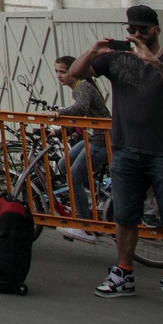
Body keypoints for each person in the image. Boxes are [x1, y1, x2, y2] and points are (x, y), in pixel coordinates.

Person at [68, 4, 163, 312]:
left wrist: (154, 63)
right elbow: (75, 73)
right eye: (132, 30)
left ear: (157, 30)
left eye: (143, 30)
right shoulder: (116, 60)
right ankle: (123, 272)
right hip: (126, 150)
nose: (137, 35)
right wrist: (94, 50)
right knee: (124, 217)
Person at [53, 53, 110, 242]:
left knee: (74, 175)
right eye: (57, 72)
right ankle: (100, 196)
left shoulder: (82, 86)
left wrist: (58, 113)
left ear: (75, 72)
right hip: (94, 138)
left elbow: (81, 108)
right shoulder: (78, 87)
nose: (60, 75)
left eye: (63, 71)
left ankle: (85, 225)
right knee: (63, 164)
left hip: (103, 139)